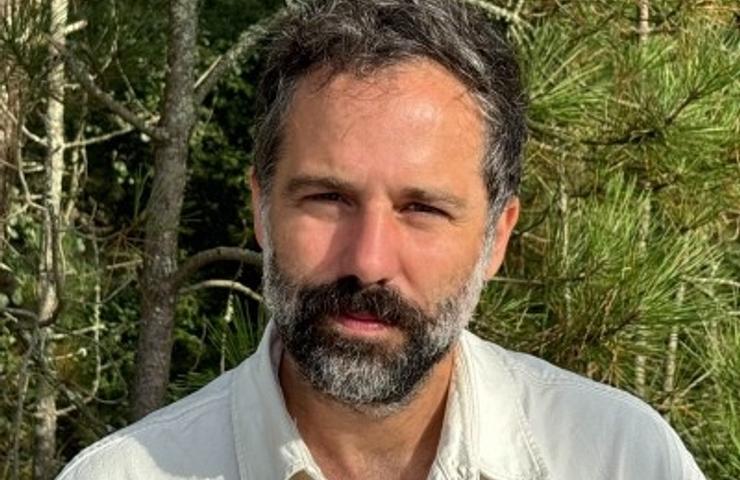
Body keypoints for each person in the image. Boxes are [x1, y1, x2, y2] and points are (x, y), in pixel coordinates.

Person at [58, 1, 705, 479]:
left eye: (422, 208)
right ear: (261, 208)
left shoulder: (620, 457)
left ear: (496, 238)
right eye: (328, 198)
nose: (368, 261)